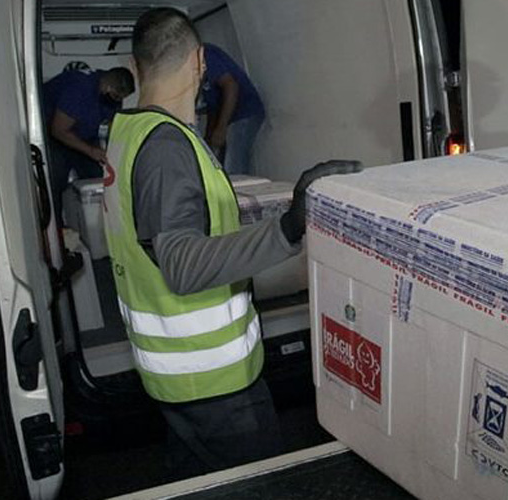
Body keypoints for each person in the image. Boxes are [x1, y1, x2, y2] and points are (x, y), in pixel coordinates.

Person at [103, 8, 361, 477]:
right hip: (212, 380)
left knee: (197, 480)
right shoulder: (165, 147)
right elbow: (182, 265)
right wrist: (288, 227)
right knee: (259, 483)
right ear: (200, 61)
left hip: (177, 373)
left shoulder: (128, 133)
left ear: (135, 67)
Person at [43, 66, 134, 223]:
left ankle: (99, 225)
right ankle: (57, 228)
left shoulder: (110, 97)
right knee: (54, 181)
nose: (118, 100)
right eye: (116, 96)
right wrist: (91, 151)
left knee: (99, 178)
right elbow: (58, 130)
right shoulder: (80, 89)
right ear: (108, 87)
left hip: (82, 135)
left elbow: (111, 125)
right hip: (54, 136)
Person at [200, 43, 266, 176]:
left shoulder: (206, 55)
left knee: (233, 165)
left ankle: (236, 185)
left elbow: (231, 86)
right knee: (219, 163)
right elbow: (213, 107)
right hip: (229, 117)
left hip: (245, 112)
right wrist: (208, 140)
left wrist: (221, 128)